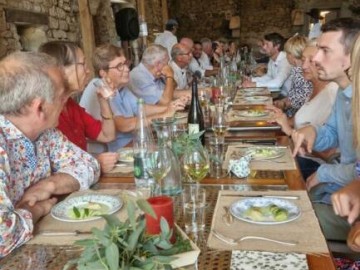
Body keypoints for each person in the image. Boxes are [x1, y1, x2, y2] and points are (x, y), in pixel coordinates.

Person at [0, 51, 100, 257]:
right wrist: (38, 209)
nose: (65, 101)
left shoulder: (46, 133)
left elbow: (89, 165)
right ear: (40, 107)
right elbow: (3, 236)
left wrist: (48, 185)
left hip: (38, 251)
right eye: (61, 96)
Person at [291, 18, 360, 241]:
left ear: (350, 58)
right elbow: (331, 133)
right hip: (338, 190)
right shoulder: (343, 92)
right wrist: (313, 131)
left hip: (351, 209)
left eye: (325, 51)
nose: (316, 59)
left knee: (293, 218)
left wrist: (323, 173)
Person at [81, 44, 185, 151]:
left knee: (177, 145)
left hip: (130, 143)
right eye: (119, 66)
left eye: (125, 63)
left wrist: (172, 107)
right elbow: (123, 125)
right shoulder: (99, 88)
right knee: (170, 150)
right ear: (103, 73)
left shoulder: (121, 87)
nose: (126, 69)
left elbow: (141, 108)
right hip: (108, 152)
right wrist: (163, 115)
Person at [39, 41, 118, 173]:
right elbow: (49, 172)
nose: (88, 71)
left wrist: (103, 101)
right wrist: (95, 163)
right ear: (60, 69)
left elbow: (107, 135)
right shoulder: (43, 113)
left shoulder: (70, 105)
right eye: (82, 64)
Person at [267, 38, 338, 179]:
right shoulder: (314, 88)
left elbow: (331, 155)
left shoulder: (332, 94)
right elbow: (302, 121)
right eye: (303, 59)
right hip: (298, 155)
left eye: (310, 61)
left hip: (316, 167)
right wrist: (283, 118)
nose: (303, 66)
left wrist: (290, 131)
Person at [273, 35, 313, 117]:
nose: (286, 56)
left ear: (292, 55)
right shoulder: (303, 69)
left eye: (287, 53)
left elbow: (302, 98)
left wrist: (284, 104)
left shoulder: (298, 70)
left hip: (296, 116)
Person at [242, 32, 292, 97]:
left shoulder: (285, 60)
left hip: (287, 98)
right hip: (277, 94)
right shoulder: (272, 58)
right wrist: (251, 79)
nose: (264, 47)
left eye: (267, 44)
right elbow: (269, 77)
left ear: (277, 46)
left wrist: (255, 84)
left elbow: (277, 83)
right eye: (264, 44)